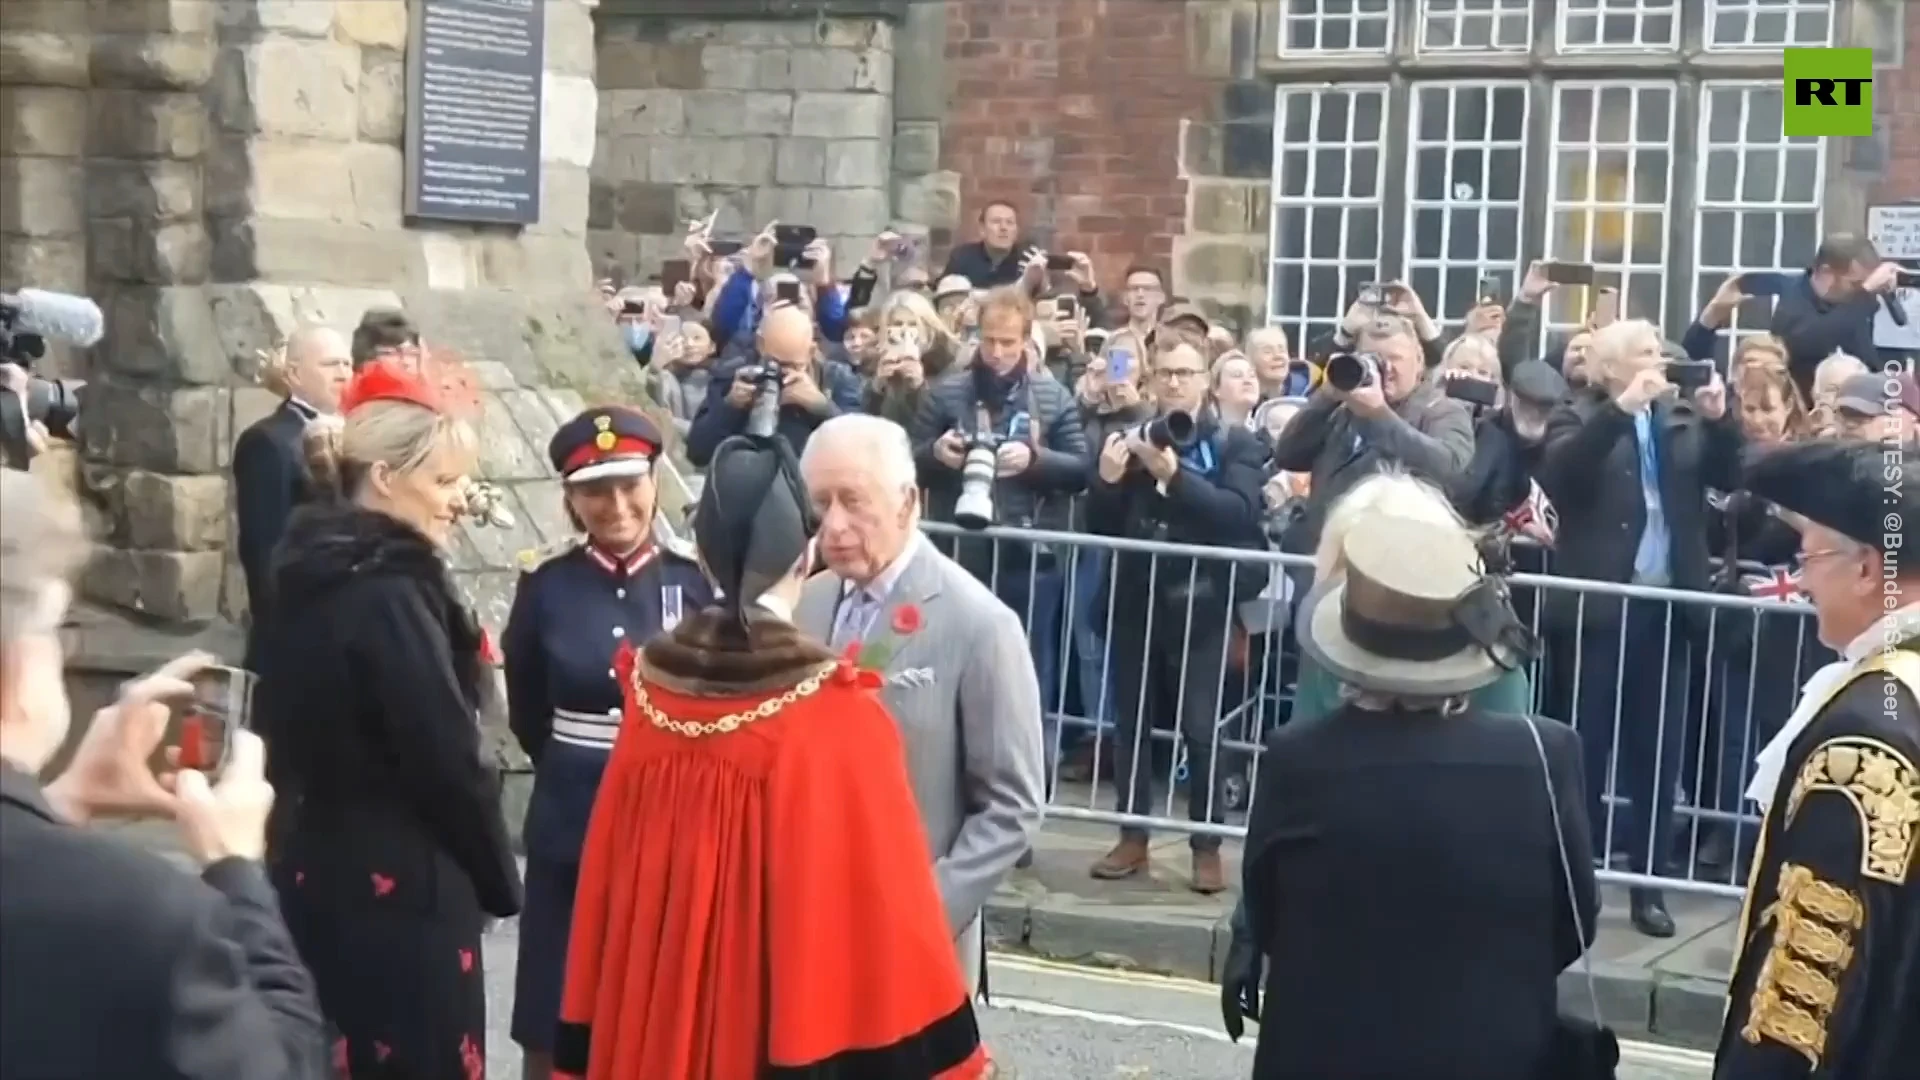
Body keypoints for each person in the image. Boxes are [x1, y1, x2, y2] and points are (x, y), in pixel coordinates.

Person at [555, 432, 988, 1080]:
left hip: (657, 1028)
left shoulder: (650, 693)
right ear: (804, 554)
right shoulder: (837, 711)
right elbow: (888, 918)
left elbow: (608, 894)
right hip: (776, 1023)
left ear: (700, 556)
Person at [1239, 483, 1596, 1080]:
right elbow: (1575, 917)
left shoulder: (1298, 759)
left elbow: (1268, 908)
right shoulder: (1544, 754)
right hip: (1493, 1050)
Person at [0, 472, 328, 1078]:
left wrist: (57, 802)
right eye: (54, 630)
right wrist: (238, 870)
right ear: (13, 665)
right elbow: (282, 1066)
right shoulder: (147, 917)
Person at [250, 359, 523, 1078]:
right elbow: (447, 758)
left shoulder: (307, 576)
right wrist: (499, 879)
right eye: (441, 481)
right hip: (403, 895)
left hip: (314, 872)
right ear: (381, 477)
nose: (459, 500)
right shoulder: (390, 593)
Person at [795, 414, 1047, 989]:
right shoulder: (807, 603)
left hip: (911, 945)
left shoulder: (980, 623)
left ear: (908, 502)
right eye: (821, 503)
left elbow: (1013, 805)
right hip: (808, 924)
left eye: (853, 501)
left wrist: (923, 910)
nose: (832, 525)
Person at [502, 406, 711, 1080]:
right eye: (594, 491)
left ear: (655, 481)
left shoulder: (695, 579)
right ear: (570, 499)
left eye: (630, 485)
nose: (616, 505)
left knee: (659, 983)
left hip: (672, 808)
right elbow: (530, 708)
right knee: (556, 993)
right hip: (573, 806)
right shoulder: (546, 583)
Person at [1711, 439, 1920, 1080]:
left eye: (1810, 559)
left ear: (1867, 570)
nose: (1801, 581)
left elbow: (1800, 1005)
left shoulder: (1865, 741)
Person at [1534, 320, 1743, 938]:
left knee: (1658, 755)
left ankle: (1649, 885)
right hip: (1602, 609)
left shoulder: (1679, 418)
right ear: (1608, 369)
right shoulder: (1578, 415)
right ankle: (1574, 882)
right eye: (1644, 353)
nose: (1659, 360)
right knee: (1586, 751)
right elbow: (1562, 479)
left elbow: (1730, 478)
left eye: (1659, 350)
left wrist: (1721, 420)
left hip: (1667, 608)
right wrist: (1620, 412)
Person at [1083, 330, 1269, 893]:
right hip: (1138, 597)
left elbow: (1235, 513)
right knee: (1131, 721)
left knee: (1199, 724)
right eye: (1164, 373)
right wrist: (1108, 482)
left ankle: (1206, 844)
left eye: (1185, 373)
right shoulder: (1132, 435)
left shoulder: (1235, 443)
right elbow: (1102, 526)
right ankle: (1132, 835)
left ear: (1205, 381)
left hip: (1203, 602)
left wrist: (1173, 477)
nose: (1173, 383)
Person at [234, 325, 353, 641]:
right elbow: (265, 552)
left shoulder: (360, 434)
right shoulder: (268, 441)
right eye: (330, 365)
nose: (343, 374)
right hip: (301, 628)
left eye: (347, 364)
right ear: (295, 375)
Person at [1769, 235, 1902, 396]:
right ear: (1826, 272)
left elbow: (1865, 355)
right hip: (1809, 409)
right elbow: (1804, 342)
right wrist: (1864, 291)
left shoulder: (1850, 304)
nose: (1858, 289)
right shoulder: (1792, 300)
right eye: (1854, 283)